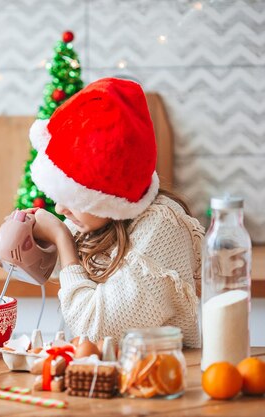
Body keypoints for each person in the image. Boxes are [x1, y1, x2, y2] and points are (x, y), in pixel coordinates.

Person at [27, 78, 203, 347]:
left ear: (107, 198)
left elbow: (95, 329)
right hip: (106, 378)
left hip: (158, 377)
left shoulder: (162, 227)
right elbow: (58, 271)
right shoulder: (99, 220)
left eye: (74, 200)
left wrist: (61, 238)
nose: (60, 210)